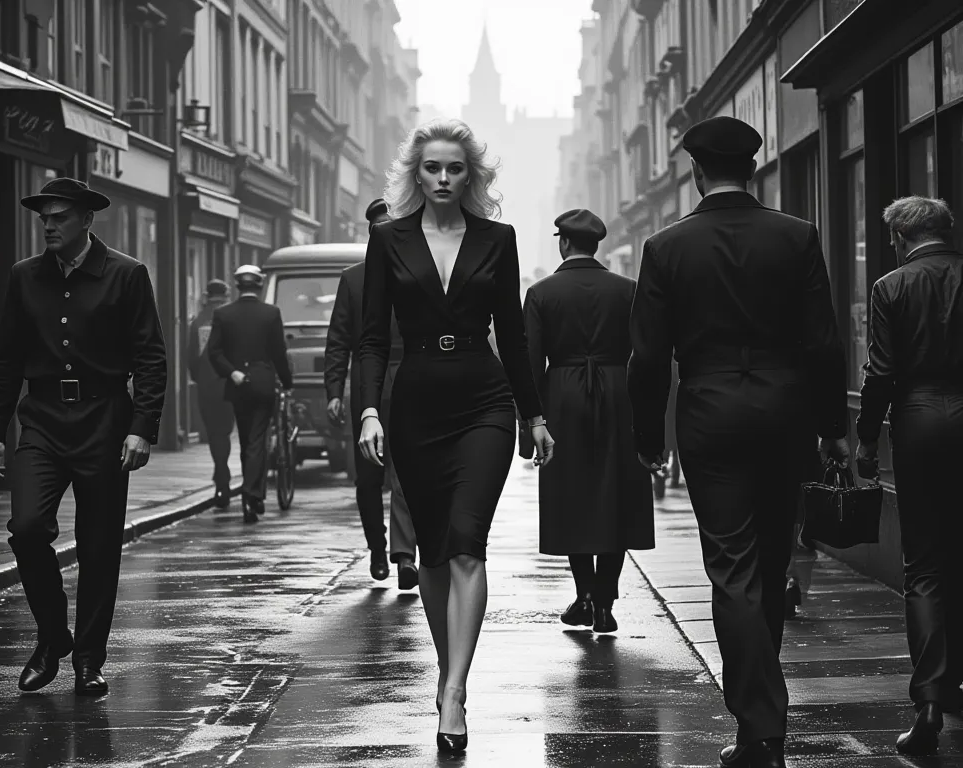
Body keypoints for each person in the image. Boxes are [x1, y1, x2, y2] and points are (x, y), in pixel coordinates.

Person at [627, 116, 849, 768]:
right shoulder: (797, 237)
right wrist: (833, 428)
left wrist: (649, 438)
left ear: (697, 173)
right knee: (772, 563)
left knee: (733, 569)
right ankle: (762, 726)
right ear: (753, 168)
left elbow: (647, 358)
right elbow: (824, 342)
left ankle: (760, 727)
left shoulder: (666, 248)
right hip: (785, 416)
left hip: (710, 417)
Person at [357, 118, 553, 754]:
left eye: (456, 168)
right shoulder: (388, 240)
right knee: (437, 551)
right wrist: (369, 411)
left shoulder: (499, 238)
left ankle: (454, 692)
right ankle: (449, 671)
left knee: (468, 542)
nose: (443, 178)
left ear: (472, 176)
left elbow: (515, 336)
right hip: (415, 403)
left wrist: (534, 414)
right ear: (416, 174)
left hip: (484, 399)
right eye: (433, 168)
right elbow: (369, 340)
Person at [0, 177, 167, 696]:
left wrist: (141, 427)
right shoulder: (24, 276)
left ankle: (88, 659)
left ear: (86, 219)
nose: (49, 225)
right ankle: (52, 636)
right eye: (44, 217)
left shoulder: (127, 274)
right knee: (27, 526)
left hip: (106, 420)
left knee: (100, 547)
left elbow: (151, 357)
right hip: (40, 419)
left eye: (60, 217)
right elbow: (6, 358)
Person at [856, 196, 963, 756]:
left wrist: (866, 440)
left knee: (924, 563)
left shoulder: (891, 287)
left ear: (900, 238)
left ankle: (928, 704)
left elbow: (882, 372)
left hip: (919, 421)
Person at [523, 208, 654, 634]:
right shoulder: (628, 289)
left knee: (571, 498)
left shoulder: (542, 293)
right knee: (615, 497)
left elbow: (530, 363)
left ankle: (584, 594)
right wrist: (651, 427)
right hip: (619, 396)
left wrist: (530, 426)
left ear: (563, 242)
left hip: (562, 397)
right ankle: (604, 599)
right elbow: (646, 356)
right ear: (596, 245)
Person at [324, 199, 419, 588]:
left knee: (407, 470)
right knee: (368, 476)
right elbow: (338, 339)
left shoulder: (417, 272)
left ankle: (404, 555)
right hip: (368, 381)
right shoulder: (353, 278)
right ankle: (378, 550)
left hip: (413, 377)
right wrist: (334, 391)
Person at [206, 264, 293, 523]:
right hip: (264, 384)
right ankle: (251, 496)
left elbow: (214, 352)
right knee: (256, 440)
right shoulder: (271, 313)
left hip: (237, 384)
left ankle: (251, 495)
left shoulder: (223, 314)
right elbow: (279, 353)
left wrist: (231, 372)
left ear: (238, 285)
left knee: (246, 440)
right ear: (260, 285)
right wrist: (287, 382)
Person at [187, 279, 235, 508]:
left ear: (207, 296)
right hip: (228, 383)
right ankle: (222, 476)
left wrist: (201, 378)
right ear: (225, 296)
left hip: (206, 386)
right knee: (224, 433)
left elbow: (191, 359)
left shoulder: (197, 322)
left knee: (214, 433)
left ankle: (220, 476)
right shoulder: (230, 318)